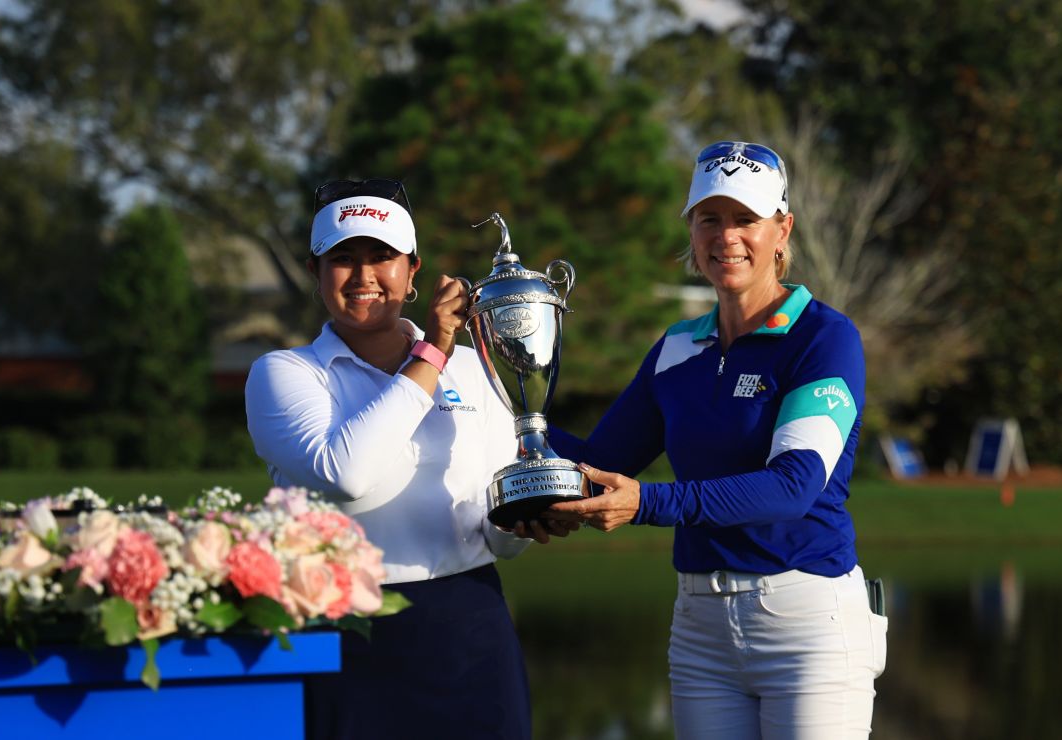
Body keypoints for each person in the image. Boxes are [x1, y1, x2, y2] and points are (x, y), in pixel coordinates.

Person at [540, 142, 888, 738]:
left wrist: (647, 504)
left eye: (746, 219)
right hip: (700, 627)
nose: (727, 236)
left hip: (808, 621)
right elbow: (600, 462)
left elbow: (793, 488)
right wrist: (497, 409)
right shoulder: (679, 347)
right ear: (691, 232)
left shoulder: (823, 338)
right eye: (710, 218)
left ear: (783, 230)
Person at [245, 178, 542, 738]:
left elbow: (497, 531)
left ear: (412, 271)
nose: (363, 277)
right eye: (343, 259)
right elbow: (346, 475)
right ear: (314, 273)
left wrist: (527, 519)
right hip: (342, 634)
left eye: (382, 258)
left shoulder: (473, 367)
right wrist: (432, 351)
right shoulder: (284, 373)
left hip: (470, 628)